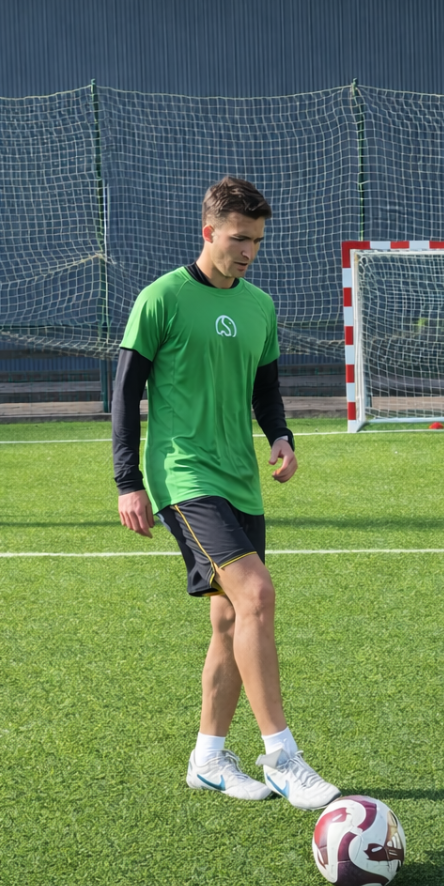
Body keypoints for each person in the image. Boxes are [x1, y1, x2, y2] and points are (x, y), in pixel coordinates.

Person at [112, 176, 339, 808]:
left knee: (229, 618)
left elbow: (265, 390)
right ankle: (283, 758)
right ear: (208, 231)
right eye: (239, 238)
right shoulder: (161, 298)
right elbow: (125, 393)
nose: (248, 251)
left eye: (257, 241)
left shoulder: (259, 306)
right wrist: (128, 481)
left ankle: (208, 759)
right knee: (257, 593)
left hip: (241, 476)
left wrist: (281, 436)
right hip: (183, 474)